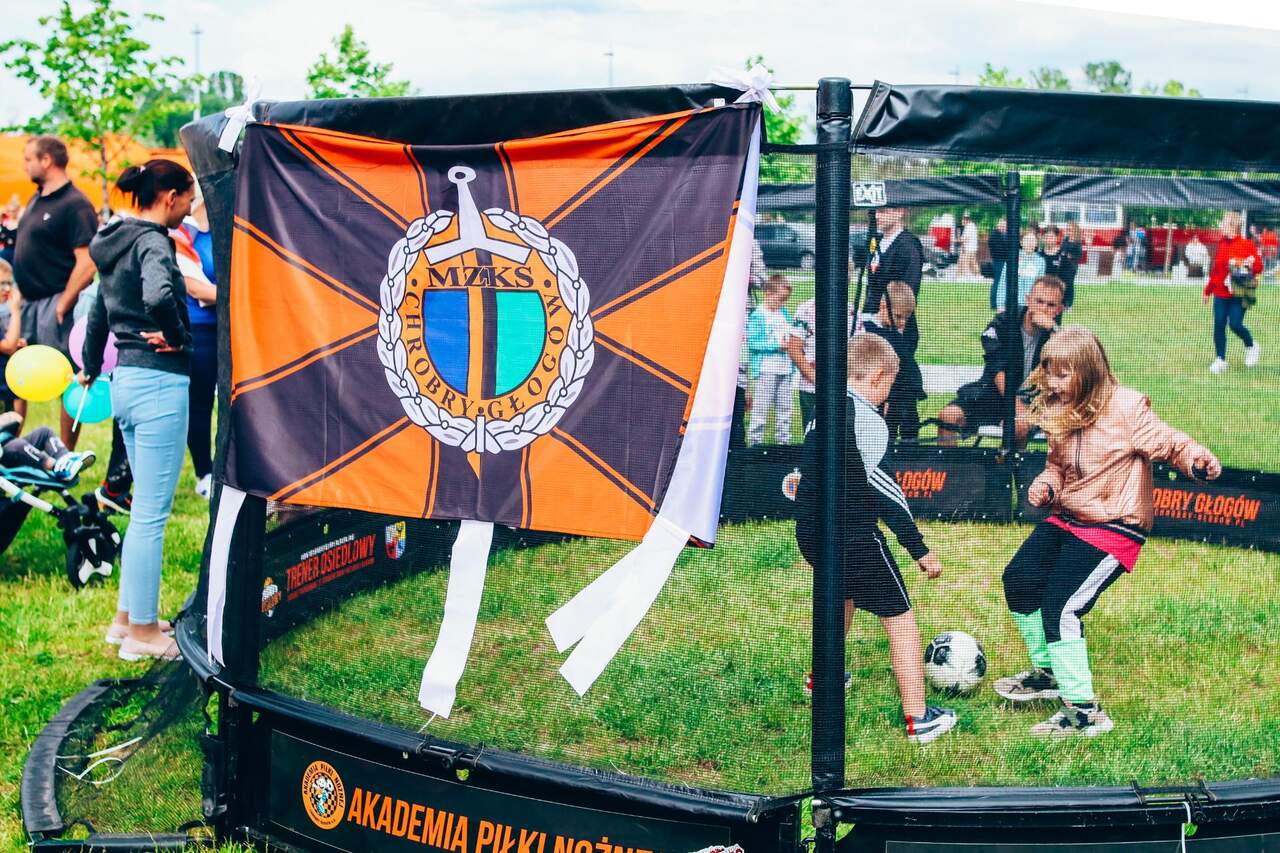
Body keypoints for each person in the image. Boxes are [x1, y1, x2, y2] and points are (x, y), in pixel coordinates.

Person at [995, 327, 1221, 736]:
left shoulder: (1127, 407)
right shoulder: (1060, 409)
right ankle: (1049, 673)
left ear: (1088, 372)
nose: (1052, 382)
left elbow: (1171, 444)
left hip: (1115, 526)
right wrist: (1046, 485)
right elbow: (1057, 467)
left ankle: (1084, 713)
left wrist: (1197, 459)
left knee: (1061, 607)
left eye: (1062, 374)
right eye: (1048, 371)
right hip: (1070, 517)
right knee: (1020, 579)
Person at [794, 334, 956, 743]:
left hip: (811, 532)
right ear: (880, 377)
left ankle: (823, 678)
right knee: (901, 621)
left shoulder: (823, 408)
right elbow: (885, 491)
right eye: (891, 385)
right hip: (854, 538)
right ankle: (920, 719)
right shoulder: (868, 421)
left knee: (841, 598)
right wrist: (919, 548)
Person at [81, 159, 195, 661]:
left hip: (124, 380)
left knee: (142, 510)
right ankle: (143, 634)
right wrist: (178, 336)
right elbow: (159, 292)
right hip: (158, 384)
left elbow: (97, 312)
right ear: (169, 197)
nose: (189, 210)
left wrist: (90, 364)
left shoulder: (112, 240)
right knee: (151, 514)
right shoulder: (152, 241)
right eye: (188, 200)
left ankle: (125, 619)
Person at [13, 136, 99, 449]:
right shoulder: (37, 199)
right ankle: (11, 448)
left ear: (46, 160)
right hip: (29, 303)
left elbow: (88, 261)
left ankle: (65, 453)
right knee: (18, 374)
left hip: (57, 303)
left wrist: (64, 302)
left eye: (29, 159)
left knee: (66, 377)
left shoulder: (75, 204)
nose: (25, 166)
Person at [937, 276, 1065, 446]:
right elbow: (996, 368)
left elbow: (1068, 365)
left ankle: (1008, 464)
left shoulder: (1058, 336)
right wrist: (1015, 406)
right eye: (1039, 301)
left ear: (1059, 309)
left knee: (1018, 427)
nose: (1043, 308)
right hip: (995, 396)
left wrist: (1053, 329)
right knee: (948, 417)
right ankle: (949, 463)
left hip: (1037, 402)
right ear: (1028, 300)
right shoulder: (1003, 323)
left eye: (1051, 305)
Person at [173, 194, 218, 498]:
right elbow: (195, 287)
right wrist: (239, 293)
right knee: (199, 403)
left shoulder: (227, 230)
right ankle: (205, 472)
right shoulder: (182, 233)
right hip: (196, 328)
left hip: (227, 328)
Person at [786, 278, 854, 431]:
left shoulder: (852, 312)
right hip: (811, 388)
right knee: (813, 433)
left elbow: (858, 351)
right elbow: (794, 348)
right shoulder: (806, 310)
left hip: (844, 389)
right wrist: (814, 377)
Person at [864, 281, 924, 442]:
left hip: (902, 396)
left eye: (907, 318)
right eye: (898, 316)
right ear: (883, 306)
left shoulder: (900, 333)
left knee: (909, 434)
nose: (902, 322)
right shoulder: (865, 327)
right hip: (878, 393)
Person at [1204, 211, 1262, 375]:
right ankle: (1220, 360)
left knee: (1235, 324)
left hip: (1238, 293)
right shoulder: (1221, 244)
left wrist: (1247, 264)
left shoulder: (1247, 244)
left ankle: (1251, 346)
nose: (1221, 226)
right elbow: (1216, 270)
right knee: (1219, 324)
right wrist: (1208, 290)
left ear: (1232, 226)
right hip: (1220, 293)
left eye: (1224, 223)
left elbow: (1259, 267)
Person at [860, 207, 923, 353]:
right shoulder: (876, 240)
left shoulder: (908, 245)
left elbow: (908, 290)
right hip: (872, 322)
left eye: (883, 211)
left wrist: (897, 328)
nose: (877, 216)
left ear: (900, 212)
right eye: (875, 212)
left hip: (894, 329)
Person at [746, 275, 795, 445]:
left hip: (785, 369)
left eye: (785, 300)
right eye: (780, 299)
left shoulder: (784, 313)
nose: (782, 303)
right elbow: (753, 343)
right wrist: (775, 345)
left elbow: (790, 332)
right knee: (761, 409)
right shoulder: (758, 315)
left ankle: (784, 444)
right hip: (766, 369)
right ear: (768, 293)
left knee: (785, 408)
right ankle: (755, 444)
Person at [0, 411, 95, 480]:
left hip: (6, 441)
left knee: (44, 432)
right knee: (18, 445)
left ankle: (65, 457)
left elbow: (17, 418)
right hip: (5, 456)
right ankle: (58, 468)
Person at [993, 228, 1045, 309]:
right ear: (1021, 242)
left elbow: (1041, 286)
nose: (1030, 243)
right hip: (1012, 303)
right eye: (1027, 240)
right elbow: (1003, 282)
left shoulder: (1040, 261)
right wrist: (1000, 305)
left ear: (1036, 243)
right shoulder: (1012, 258)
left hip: (1031, 305)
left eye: (1033, 240)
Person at [0, 261, 27, 411]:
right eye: (2, 284)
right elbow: (8, 346)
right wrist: (15, 311)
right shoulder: (11, 310)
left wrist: (16, 342)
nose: (7, 289)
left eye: (9, 283)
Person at [1041, 225, 1080, 311]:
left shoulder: (1062, 256)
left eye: (1051, 237)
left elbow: (1066, 281)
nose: (1049, 240)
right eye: (1046, 237)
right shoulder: (1039, 255)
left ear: (1057, 238)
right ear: (1043, 238)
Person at [987, 217, 1011, 311]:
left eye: (1005, 225)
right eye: (1002, 224)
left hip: (1005, 262)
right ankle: (994, 303)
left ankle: (1002, 302)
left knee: (1003, 283)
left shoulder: (1006, 235)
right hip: (998, 262)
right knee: (997, 282)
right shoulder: (994, 235)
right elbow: (998, 249)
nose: (1003, 226)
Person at [957, 212, 980, 278]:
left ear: (967, 220)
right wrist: (959, 235)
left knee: (966, 263)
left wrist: (957, 240)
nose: (962, 221)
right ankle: (962, 276)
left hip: (970, 249)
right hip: (967, 249)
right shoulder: (967, 227)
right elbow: (962, 238)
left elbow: (965, 239)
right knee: (967, 262)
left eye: (963, 220)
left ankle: (967, 276)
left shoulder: (971, 226)